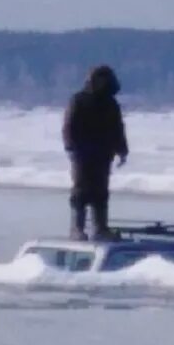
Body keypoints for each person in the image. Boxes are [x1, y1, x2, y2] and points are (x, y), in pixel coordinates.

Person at [62, 65, 129, 241]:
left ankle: (100, 229)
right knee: (81, 191)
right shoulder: (79, 100)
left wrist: (122, 150)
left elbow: (118, 128)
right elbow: (69, 125)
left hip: (103, 154)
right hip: (82, 154)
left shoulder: (111, 104)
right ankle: (77, 228)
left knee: (100, 191)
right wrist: (71, 147)